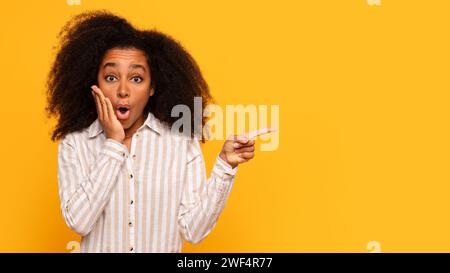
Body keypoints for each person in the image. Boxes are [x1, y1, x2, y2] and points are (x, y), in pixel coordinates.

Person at [46, 11, 257, 252]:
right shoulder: (76, 143)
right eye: (111, 77)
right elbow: (79, 222)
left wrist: (224, 166)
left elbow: (194, 231)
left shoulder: (180, 141)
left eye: (136, 78)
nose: (122, 90)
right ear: (94, 83)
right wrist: (114, 144)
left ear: (152, 87)